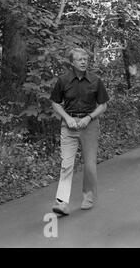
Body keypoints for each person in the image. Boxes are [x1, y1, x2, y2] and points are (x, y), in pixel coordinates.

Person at [50, 47, 109, 215]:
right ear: (72, 62)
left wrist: (89, 118)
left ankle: (88, 197)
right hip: (68, 125)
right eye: (80, 59)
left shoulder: (95, 80)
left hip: (89, 125)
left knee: (90, 165)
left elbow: (103, 105)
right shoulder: (63, 80)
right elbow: (55, 102)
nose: (84, 62)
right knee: (66, 164)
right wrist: (67, 118)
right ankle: (61, 203)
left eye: (85, 59)